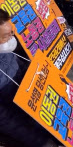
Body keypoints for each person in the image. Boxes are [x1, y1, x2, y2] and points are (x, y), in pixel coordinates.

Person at [0, 10, 61, 147]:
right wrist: (40, 141)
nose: (11, 37)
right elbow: (5, 120)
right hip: (25, 128)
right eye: (5, 36)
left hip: (40, 114)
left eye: (11, 32)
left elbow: (21, 68)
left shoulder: (5, 51)